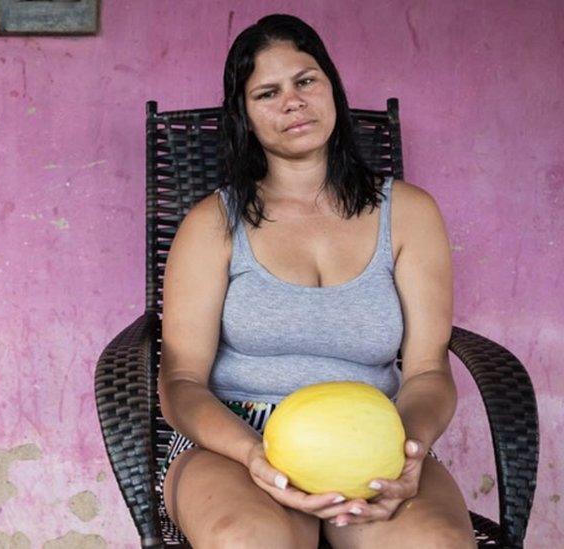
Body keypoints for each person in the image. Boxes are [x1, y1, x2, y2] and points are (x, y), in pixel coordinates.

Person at [157, 14, 476, 548]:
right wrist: (254, 455)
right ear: (245, 117)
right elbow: (180, 383)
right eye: (267, 92)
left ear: (331, 88)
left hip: (374, 439)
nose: (293, 101)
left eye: (306, 81)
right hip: (237, 439)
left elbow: (426, 369)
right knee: (250, 543)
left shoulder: (410, 213)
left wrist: (409, 452)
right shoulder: (212, 224)